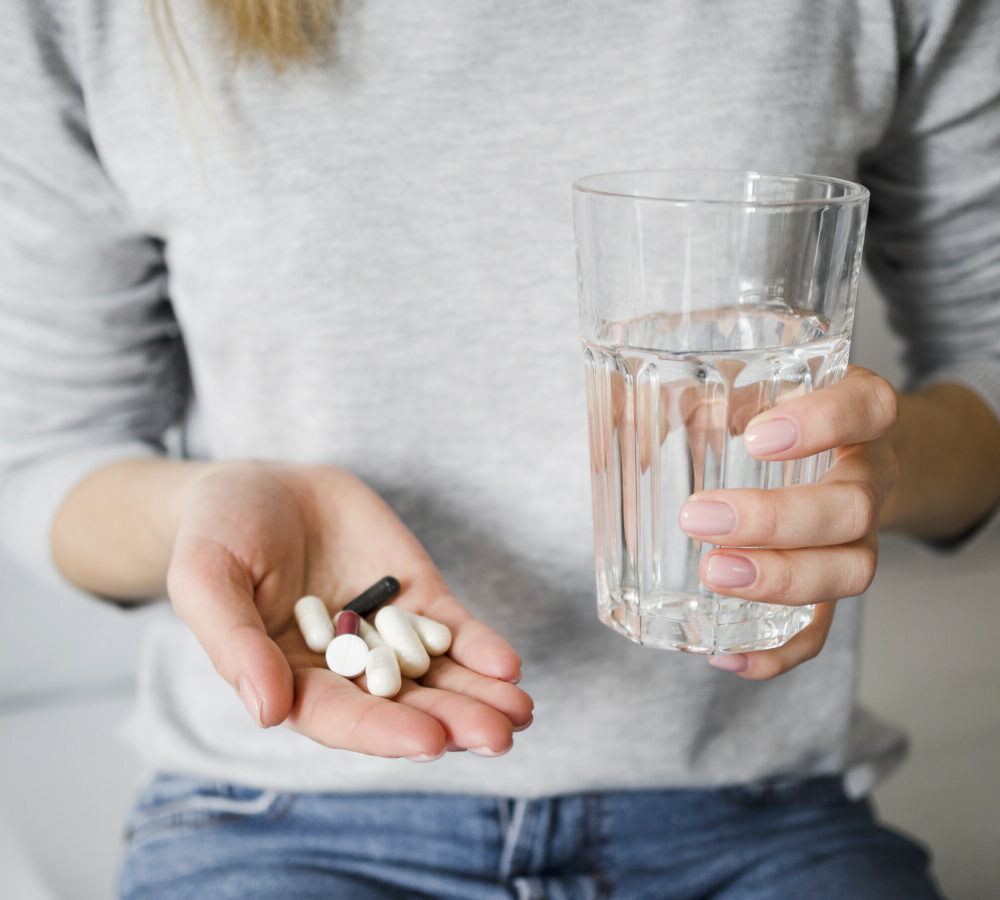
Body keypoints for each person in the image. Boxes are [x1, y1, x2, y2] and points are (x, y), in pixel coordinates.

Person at [2, 1, 998, 897]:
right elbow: (44, 456)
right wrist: (203, 512)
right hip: (280, 816)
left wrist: (884, 464)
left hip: (756, 810)